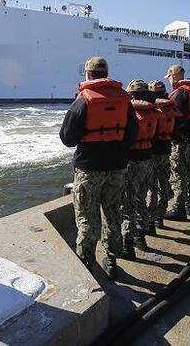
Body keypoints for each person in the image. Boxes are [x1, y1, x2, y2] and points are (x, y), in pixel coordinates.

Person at [59, 56, 138, 279]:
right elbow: (133, 134)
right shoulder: (125, 101)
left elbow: (67, 138)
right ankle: (111, 260)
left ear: (87, 74)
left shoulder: (83, 101)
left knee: (86, 218)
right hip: (117, 169)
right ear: (106, 74)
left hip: (89, 169)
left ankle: (86, 262)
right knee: (112, 213)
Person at [121, 80, 159, 257]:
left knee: (127, 204)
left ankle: (127, 245)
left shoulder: (128, 111)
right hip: (147, 160)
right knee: (141, 199)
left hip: (130, 162)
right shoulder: (154, 110)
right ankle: (141, 237)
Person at [164, 64, 190, 220]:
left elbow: (175, 119)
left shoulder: (179, 94)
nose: (170, 81)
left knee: (178, 174)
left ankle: (179, 208)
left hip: (180, 141)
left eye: (170, 77)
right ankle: (189, 204)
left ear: (175, 76)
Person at [147, 80, 181, 229]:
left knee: (152, 188)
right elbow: (175, 130)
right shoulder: (170, 106)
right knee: (164, 184)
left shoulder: (151, 108)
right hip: (166, 149)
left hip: (152, 152)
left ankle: (151, 220)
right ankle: (160, 217)